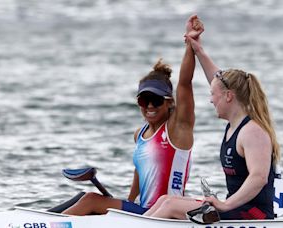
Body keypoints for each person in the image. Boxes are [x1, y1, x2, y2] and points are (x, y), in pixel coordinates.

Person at [59, 16, 204, 216]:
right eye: (144, 101)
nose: (150, 106)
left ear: (170, 101)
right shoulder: (140, 134)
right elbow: (139, 173)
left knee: (90, 200)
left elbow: (185, 84)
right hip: (145, 212)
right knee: (85, 198)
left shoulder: (178, 129)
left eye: (156, 100)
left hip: (167, 215)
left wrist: (191, 44)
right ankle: (39, 219)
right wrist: (127, 203)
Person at [144, 15, 281, 220]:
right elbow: (218, 81)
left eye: (212, 95)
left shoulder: (253, 131)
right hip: (236, 209)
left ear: (228, 97)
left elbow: (259, 178)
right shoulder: (236, 122)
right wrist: (196, 47)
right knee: (166, 200)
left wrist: (225, 205)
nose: (210, 100)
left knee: (171, 207)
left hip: (253, 215)